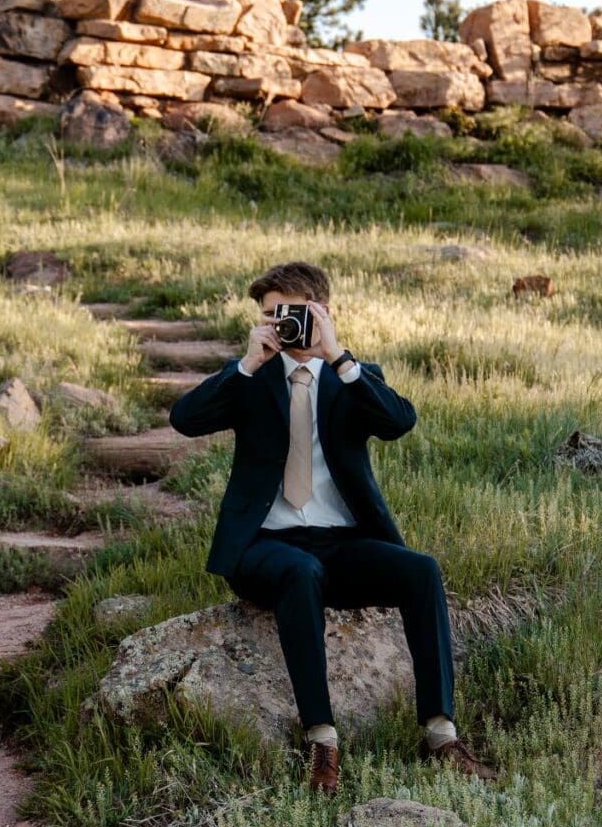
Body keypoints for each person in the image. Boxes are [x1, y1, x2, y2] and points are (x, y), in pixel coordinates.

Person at [168, 259, 479, 793]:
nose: (280, 325)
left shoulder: (351, 377)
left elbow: (399, 422)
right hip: (265, 547)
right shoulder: (250, 377)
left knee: (421, 570)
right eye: (270, 316)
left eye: (290, 314)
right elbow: (184, 419)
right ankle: (322, 741)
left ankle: (440, 733)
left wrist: (337, 356)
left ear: (323, 312)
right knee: (300, 570)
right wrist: (246, 364)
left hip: (342, 545)